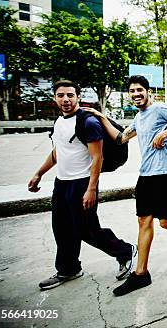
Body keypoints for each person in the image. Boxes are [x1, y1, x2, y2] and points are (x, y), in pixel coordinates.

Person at [84, 75, 167, 297]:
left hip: (165, 174)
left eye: (140, 90)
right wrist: (102, 117)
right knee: (144, 220)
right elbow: (121, 138)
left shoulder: (160, 109)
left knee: (166, 222)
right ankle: (141, 274)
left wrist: (165, 132)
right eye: (132, 91)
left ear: (148, 91)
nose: (136, 94)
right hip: (146, 175)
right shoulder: (139, 118)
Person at [29, 80, 135, 290]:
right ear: (55, 98)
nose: (65, 99)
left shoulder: (88, 123)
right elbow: (58, 152)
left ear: (78, 97)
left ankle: (125, 251)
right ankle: (68, 269)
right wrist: (39, 173)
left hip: (82, 183)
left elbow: (98, 158)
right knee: (61, 228)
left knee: (87, 229)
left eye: (70, 95)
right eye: (61, 95)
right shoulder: (60, 122)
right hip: (62, 183)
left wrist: (91, 189)